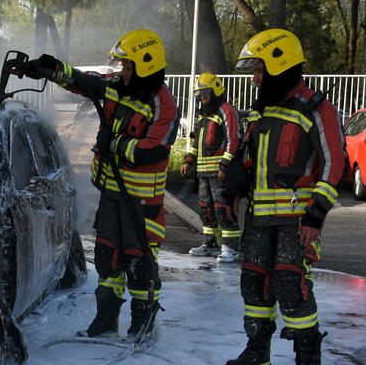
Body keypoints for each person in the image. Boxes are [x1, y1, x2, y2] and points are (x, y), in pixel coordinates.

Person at [23, 29, 179, 339]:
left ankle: (141, 324)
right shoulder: (117, 87)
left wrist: (116, 144)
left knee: (139, 263)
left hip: (142, 202)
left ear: (146, 66)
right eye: (122, 66)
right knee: (108, 260)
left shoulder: (163, 104)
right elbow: (85, 81)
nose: (123, 72)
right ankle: (106, 320)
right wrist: (51, 68)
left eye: (129, 66)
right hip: (111, 194)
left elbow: (156, 149)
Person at [222, 28, 346, 365]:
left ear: (280, 65)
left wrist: (316, 214)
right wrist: (234, 186)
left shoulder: (316, 108)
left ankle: (309, 363)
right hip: (259, 220)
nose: (255, 78)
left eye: (259, 70)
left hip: (296, 221)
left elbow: (334, 163)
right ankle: (257, 350)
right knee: (253, 286)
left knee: (291, 287)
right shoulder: (263, 111)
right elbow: (250, 163)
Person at [180, 72, 241, 262]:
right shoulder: (204, 115)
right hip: (203, 172)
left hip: (220, 172)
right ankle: (210, 244)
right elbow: (196, 142)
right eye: (200, 93)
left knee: (223, 208)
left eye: (205, 92)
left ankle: (230, 248)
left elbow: (234, 139)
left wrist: (225, 165)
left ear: (216, 90)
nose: (202, 96)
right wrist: (188, 161)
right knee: (205, 208)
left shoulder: (226, 111)